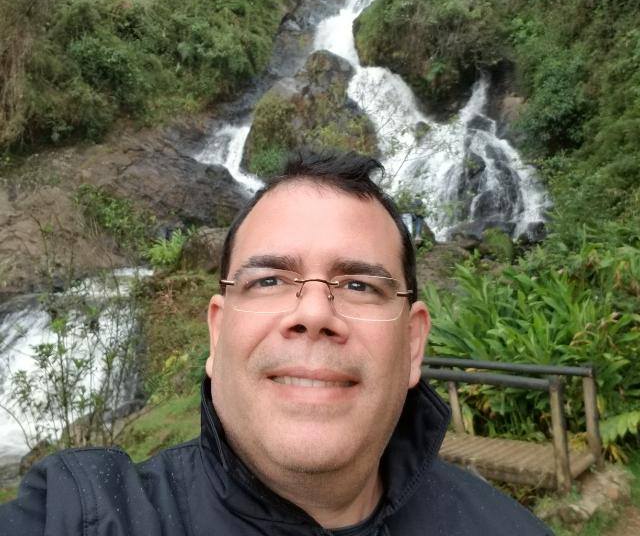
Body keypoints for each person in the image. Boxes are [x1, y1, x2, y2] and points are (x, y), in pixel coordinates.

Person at [0, 150, 552, 535]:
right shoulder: (87, 514)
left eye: (358, 285)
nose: (313, 313)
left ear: (413, 343)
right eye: (269, 281)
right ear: (217, 332)